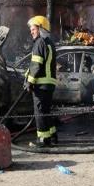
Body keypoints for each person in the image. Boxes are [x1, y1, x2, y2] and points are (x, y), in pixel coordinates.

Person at [24, 16, 57, 147]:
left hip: (41, 84)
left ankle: (43, 140)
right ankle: (52, 136)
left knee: (40, 112)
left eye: (33, 29)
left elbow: (36, 65)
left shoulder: (39, 43)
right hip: (49, 84)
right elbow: (37, 65)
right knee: (47, 111)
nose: (31, 32)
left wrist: (29, 82)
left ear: (41, 29)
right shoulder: (49, 42)